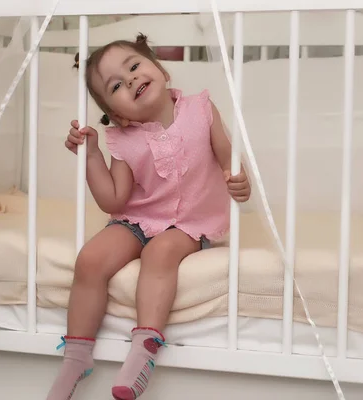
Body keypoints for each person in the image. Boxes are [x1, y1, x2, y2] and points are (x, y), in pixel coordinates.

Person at [46, 33, 251, 400]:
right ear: (118, 112)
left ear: (160, 69)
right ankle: (76, 357)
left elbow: (227, 157)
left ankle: (144, 347)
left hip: (189, 221)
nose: (132, 80)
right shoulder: (122, 139)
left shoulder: (201, 109)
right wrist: (92, 154)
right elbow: (114, 200)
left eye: (135, 66)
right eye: (117, 85)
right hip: (139, 218)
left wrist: (238, 180)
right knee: (90, 260)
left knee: (160, 253)